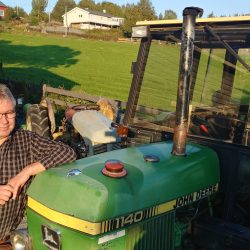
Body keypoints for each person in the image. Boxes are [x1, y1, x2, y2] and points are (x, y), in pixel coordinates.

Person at [0, 84, 76, 247]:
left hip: (6, 241)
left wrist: (26, 172)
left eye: (9, 113)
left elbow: (66, 152)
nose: (4, 121)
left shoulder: (25, 140)